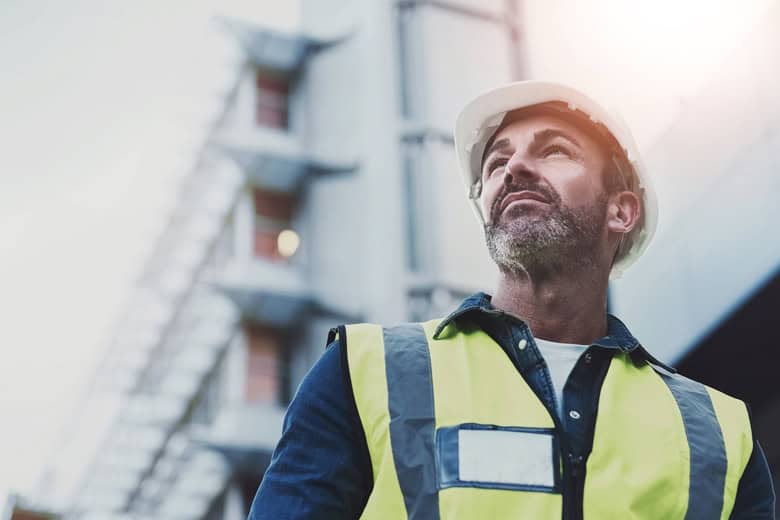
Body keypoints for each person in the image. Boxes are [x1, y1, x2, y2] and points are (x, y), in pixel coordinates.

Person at [248, 81, 776, 519]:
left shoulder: (720, 433)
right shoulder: (363, 373)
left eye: (553, 150)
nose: (514, 168)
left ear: (622, 211)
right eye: (497, 162)